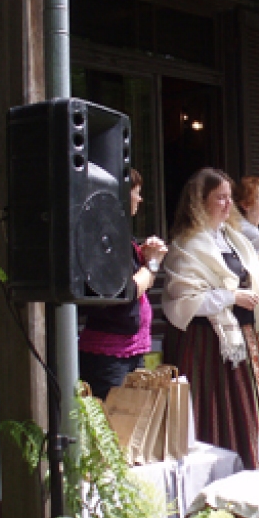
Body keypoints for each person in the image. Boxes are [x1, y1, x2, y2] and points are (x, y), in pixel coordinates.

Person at [161, 168, 259, 470]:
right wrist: (231, 298)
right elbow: (184, 301)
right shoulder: (187, 246)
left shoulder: (233, 239)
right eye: (220, 198)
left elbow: (255, 271)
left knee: (250, 409)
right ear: (199, 202)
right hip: (209, 347)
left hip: (242, 340)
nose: (228, 205)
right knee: (217, 415)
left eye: (229, 198)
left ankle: (256, 469)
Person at [79, 169, 168, 399]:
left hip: (128, 350)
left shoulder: (120, 235)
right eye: (136, 193)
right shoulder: (105, 236)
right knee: (115, 424)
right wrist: (151, 265)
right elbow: (125, 290)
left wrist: (147, 257)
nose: (139, 199)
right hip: (109, 355)